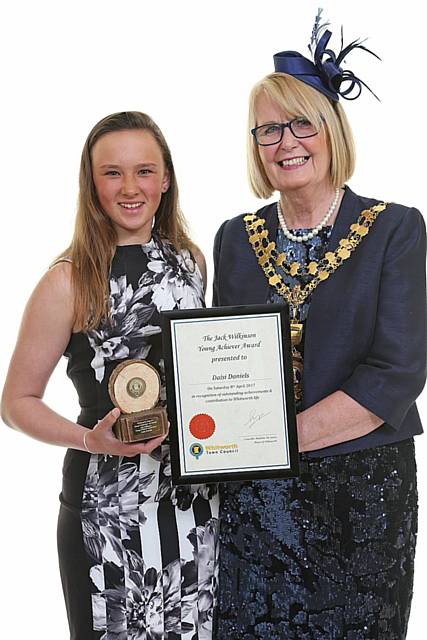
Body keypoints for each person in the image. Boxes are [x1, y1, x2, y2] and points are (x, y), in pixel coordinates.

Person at [212, 14, 426, 640]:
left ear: (330, 129)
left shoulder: (395, 229)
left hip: (364, 496)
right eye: (268, 130)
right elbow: (226, 364)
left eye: (301, 123)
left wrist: (272, 440)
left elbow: (397, 373)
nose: (286, 142)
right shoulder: (234, 239)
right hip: (257, 499)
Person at [1, 111, 219, 639]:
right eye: (112, 173)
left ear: (165, 180)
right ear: (91, 182)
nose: (130, 187)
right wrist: (88, 439)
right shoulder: (67, 280)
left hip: (192, 503)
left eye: (144, 171)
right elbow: (16, 401)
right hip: (107, 507)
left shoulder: (190, 262)